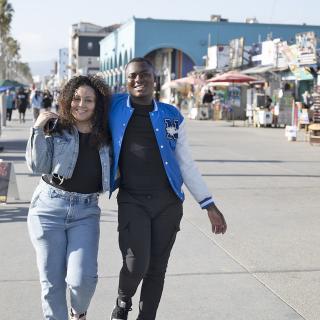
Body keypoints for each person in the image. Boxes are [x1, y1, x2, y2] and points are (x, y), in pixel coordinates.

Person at [109, 57, 227, 320]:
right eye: (133, 76)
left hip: (168, 203)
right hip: (132, 200)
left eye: (144, 75)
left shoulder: (171, 114)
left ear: (155, 79)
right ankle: (123, 298)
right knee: (136, 263)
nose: (138, 80)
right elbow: (81, 100)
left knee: (157, 268)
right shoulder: (113, 106)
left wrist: (208, 204)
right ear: (125, 81)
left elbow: (186, 162)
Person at [25, 75, 111, 320]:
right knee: (52, 284)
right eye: (75, 98)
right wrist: (37, 129)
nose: (80, 104)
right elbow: (36, 165)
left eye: (88, 100)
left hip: (86, 212)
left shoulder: (107, 132)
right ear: (67, 99)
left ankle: (78, 312)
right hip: (48, 208)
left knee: (82, 279)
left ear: (98, 104)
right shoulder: (56, 126)